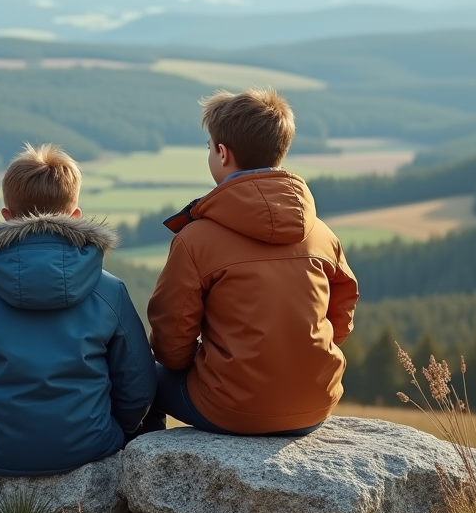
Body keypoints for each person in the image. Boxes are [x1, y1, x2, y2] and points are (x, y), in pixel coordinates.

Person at [0, 143, 156, 476]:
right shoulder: (109, 291)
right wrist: (114, 427)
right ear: (75, 216)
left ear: (6, 217)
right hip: (92, 445)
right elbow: (138, 388)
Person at [143, 88, 359, 436]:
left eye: (209, 147)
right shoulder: (321, 234)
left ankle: (143, 468)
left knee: (140, 377)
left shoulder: (195, 240)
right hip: (315, 405)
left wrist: (204, 366)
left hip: (229, 409)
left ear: (222, 154)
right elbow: (343, 308)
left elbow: (171, 344)